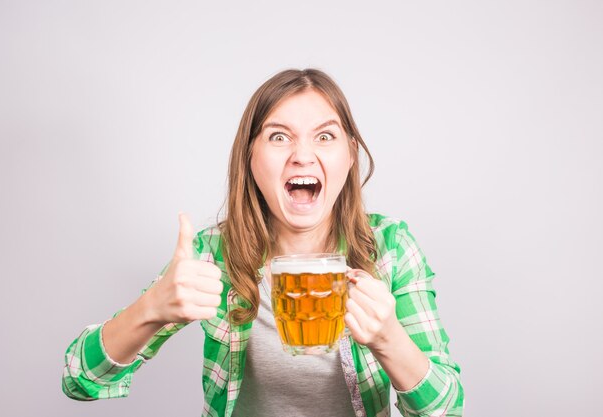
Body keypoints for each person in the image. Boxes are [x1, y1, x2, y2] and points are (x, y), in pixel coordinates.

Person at [62, 68, 464, 417]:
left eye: (325, 136)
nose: (302, 155)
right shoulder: (213, 254)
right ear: (250, 156)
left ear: (351, 155)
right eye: (278, 137)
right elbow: (79, 378)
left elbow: (446, 409)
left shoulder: (390, 247)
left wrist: (388, 338)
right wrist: (151, 309)